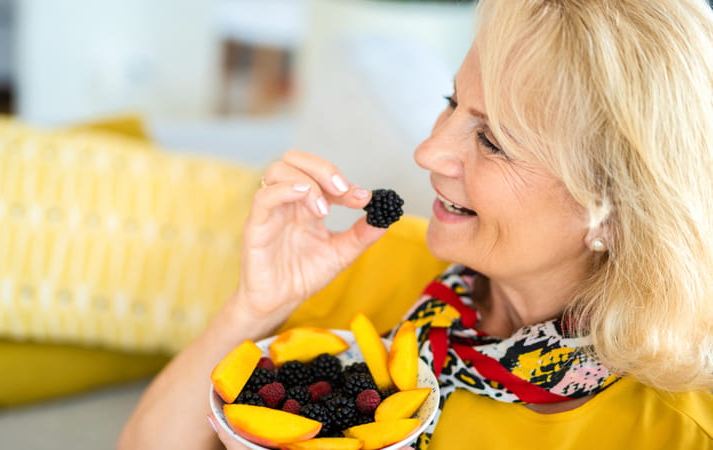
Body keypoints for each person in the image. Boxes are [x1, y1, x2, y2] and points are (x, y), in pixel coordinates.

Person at [118, 0, 713, 448]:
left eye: (493, 140)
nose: (428, 152)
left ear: (613, 207)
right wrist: (254, 308)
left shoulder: (674, 426)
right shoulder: (372, 263)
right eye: (451, 103)